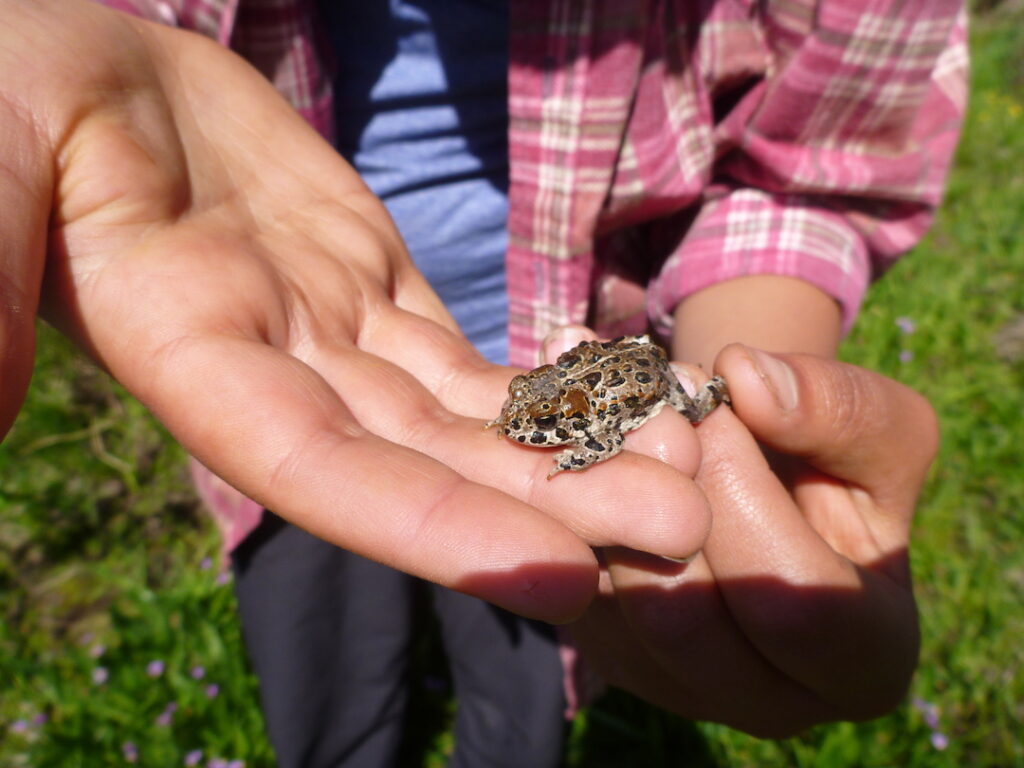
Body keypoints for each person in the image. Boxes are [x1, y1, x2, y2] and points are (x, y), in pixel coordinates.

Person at [0, 0, 964, 763]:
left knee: (523, 681)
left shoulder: (563, 412)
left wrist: (739, 398)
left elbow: (817, 159)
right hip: (281, 359)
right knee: (322, 669)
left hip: (586, 346)